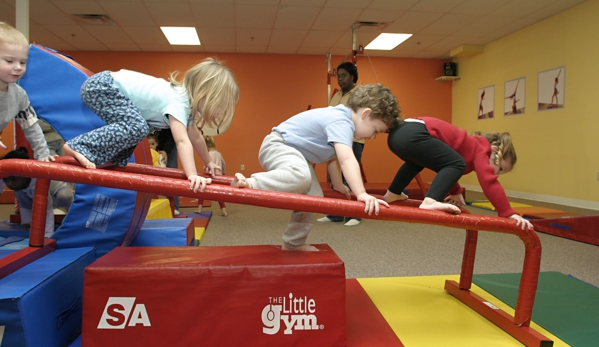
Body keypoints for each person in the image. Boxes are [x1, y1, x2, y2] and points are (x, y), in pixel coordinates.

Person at [231, 84, 401, 251]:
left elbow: (333, 157)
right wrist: (361, 194)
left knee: (313, 198)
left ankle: (293, 242)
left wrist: (337, 184)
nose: (372, 137)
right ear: (366, 114)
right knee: (301, 176)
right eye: (375, 131)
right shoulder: (342, 121)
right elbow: (346, 159)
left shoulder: (343, 122)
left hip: (298, 155)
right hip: (279, 144)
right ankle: (251, 183)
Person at [62, 57, 240, 195]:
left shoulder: (187, 107)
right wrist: (192, 175)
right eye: (219, 106)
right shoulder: (179, 101)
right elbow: (182, 141)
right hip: (102, 86)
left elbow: (196, 137)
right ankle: (77, 146)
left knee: (139, 129)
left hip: (106, 86)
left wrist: (208, 162)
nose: (219, 112)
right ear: (204, 94)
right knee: (137, 127)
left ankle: (110, 160)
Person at [383, 117, 533, 230]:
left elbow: (443, 167)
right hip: (415, 132)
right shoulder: (481, 150)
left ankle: (393, 193)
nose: (497, 174)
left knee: (416, 163)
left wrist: (456, 191)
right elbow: (489, 182)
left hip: (398, 135)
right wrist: (507, 213)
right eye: (500, 168)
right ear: (494, 150)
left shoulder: (468, 147)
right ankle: (430, 200)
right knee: (457, 163)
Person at [0, 22, 55, 163]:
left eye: (23, 62)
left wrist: (43, 154)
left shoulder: (19, 95)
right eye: (9, 61)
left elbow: (31, 125)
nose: (18, 67)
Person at [318, 61, 363, 226]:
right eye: (339, 76)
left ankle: (355, 214)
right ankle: (335, 213)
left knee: (350, 176)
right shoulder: (336, 95)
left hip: (353, 140)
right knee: (334, 177)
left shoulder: (359, 93)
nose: (340, 79)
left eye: (344, 75)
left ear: (352, 76)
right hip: (334, 140)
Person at [1, 147, 73, 237]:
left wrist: (47, 235)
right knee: (19, 192)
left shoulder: (38, 180)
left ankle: (75, 221)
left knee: (63, 197)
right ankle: (29, 222)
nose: (9, 183)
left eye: (13, 179)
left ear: (25, 173)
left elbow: (47, 209)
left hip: (57, 188)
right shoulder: (9, 174)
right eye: (6, 180)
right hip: (29, 188)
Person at [196, 136, 227, 216]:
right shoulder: (219, 154)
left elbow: (206, 165)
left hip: (209, 176)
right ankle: (224, 211)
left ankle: (199, 209)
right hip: (218, 177)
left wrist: (205, 169)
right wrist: (223, 173)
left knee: (202, 192)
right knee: (219, 195)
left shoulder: (207, 155)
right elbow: (224, 164)